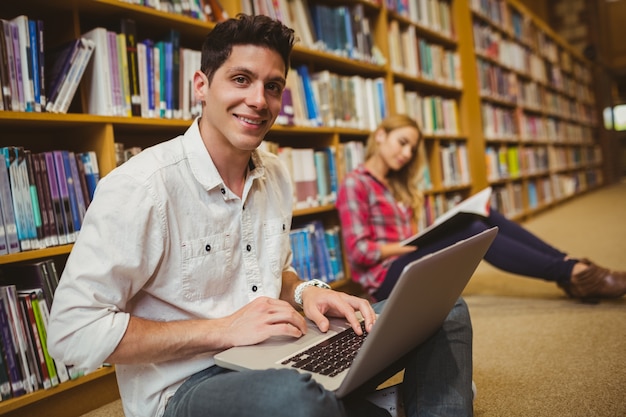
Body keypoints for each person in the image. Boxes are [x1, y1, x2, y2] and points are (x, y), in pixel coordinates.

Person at [47, 15, 475, 417]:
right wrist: (225, 330)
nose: (258, 100)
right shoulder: (140, 187)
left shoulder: (276, 173)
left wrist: (308, 292)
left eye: (272, 86)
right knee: (293, 398)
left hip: (284, 349)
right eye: (241, 79)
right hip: (188, 386)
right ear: (202, 85)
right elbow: (72, 332)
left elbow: (275, 271)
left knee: (444, 310)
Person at [336, 114, 626, 303]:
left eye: (412, 149)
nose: (407, 153)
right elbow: (359, 252)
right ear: (380, 136)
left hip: (408, 261)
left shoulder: (395, 185)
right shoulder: (355, 184)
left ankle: (572, 266)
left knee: (485, 215)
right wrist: (405, 247)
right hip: (385, 281)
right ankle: (575, 273)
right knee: (474, 229)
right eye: (403, 143)